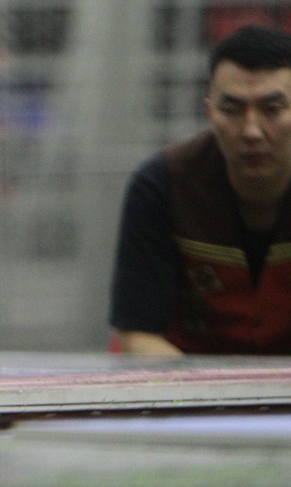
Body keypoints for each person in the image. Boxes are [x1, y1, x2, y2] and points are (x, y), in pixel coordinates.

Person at [110, 24, 291, 355]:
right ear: (210, 113)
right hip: (181, 390)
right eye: (232, 110)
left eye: (272, 109)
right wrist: (209, 400)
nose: (251, 131)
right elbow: (138, 335)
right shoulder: (162, 186)